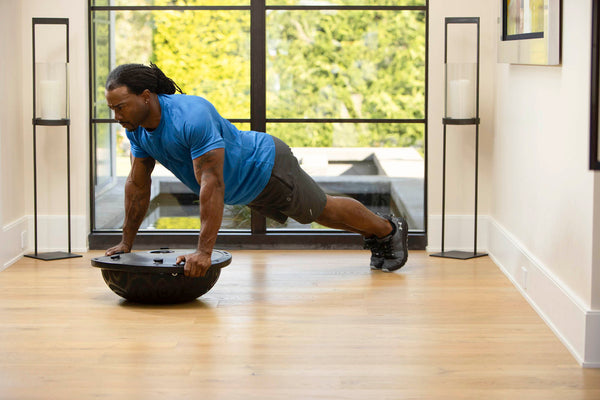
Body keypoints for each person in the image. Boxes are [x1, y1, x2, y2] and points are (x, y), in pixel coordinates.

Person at [104, 63, 409, 277]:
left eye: (121, 106)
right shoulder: (137, 129)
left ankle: (389, 230)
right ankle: (379, 233)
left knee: (321, 210)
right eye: (113, 109)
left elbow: (212, 183)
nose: (117, 115)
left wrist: (203, 253)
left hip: (265, 165)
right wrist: (126, 242)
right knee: (313, 214)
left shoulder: (190, 115)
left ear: (146, 96)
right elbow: (137, 187)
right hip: (248, 187)